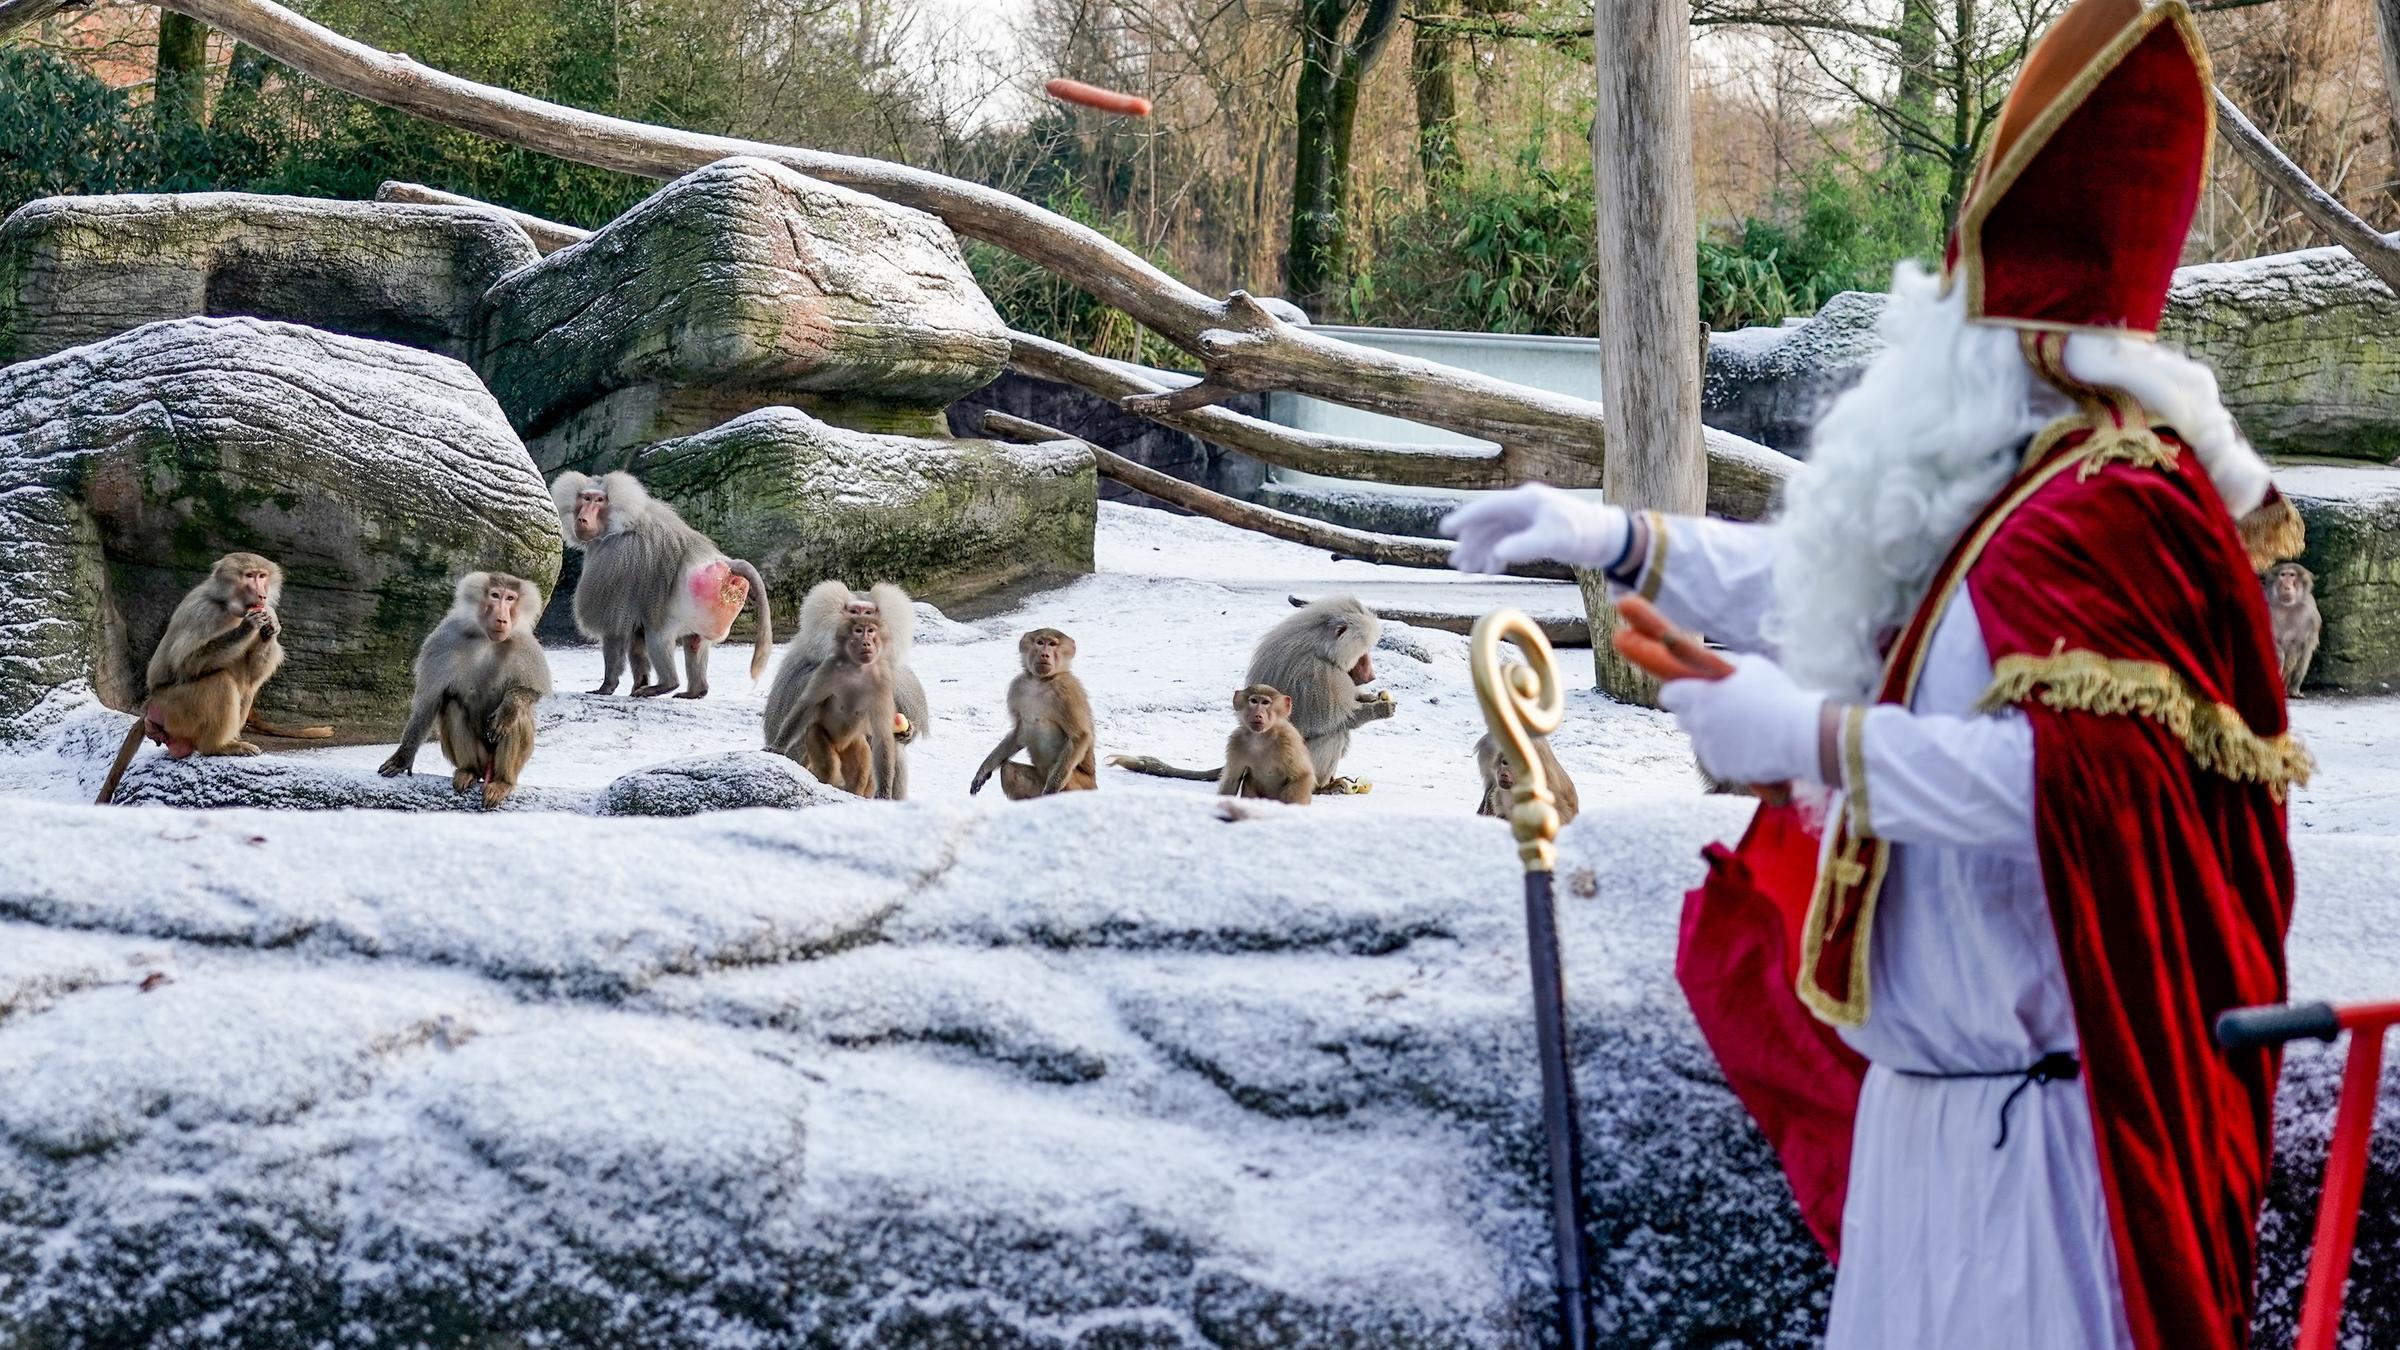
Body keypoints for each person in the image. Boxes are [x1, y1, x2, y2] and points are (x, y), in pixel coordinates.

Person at [1442, 1, 2309, 1347]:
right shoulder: (2008, 492)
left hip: (2048, 1157)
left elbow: (2076, 790)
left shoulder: (2118, 508)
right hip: (1928, 1128)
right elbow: (1837, 569)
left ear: (2015, 338)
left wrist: (1813, 737)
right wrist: (1615, 537)